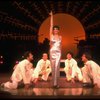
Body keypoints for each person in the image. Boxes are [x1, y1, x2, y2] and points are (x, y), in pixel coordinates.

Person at [49, 11, 62, 88]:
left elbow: (60, 46)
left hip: (58, 53)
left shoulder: (60, 37)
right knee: (53, 68)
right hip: (52, 52)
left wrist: (61, 53)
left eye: (57, 29)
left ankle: (57, 84)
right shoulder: (51, 35)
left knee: (57, 67)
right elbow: (51, 25)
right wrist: (52, 16)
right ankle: (53, 84)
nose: (55, 30)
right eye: (54, 29)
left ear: (58, 30)